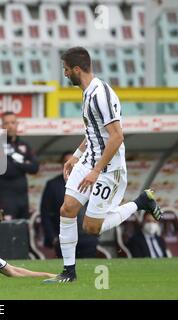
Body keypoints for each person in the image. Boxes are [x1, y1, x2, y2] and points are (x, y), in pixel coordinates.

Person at [44, 47, 163, 283]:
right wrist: (77, 155)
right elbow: (93, 132)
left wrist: (96, 171)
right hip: (89, 160)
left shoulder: (101, 94)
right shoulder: (88, 92)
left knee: (91, 228)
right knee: (67, 209)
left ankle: (141, 202)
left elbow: (117, 136)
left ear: (77, 69)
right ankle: (69, 272)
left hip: (108, 168)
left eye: (66, 69)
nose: (65, 74)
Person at [40, 152, 98, 258]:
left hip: (87, 238)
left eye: (76, 162)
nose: (72, 166)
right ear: (63, 164)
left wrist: (95, 233)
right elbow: (45, 214)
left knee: (88, 270)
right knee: (67, 271)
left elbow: (97, 207)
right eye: (68, 162)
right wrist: (53, 238)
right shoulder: (53, 185)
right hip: (64, 237)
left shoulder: (89, 181)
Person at [0, 111, 39, 220]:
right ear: (2, 126)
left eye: (13, 122)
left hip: (23, 197)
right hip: (5, 198)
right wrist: (24, 163)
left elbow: (35, 167)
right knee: (7, 231)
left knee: (22, 231)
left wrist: (15, 162)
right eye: (7, 123)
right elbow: (7, 170)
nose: (10, 126)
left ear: (17, 124)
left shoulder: (24, 145)